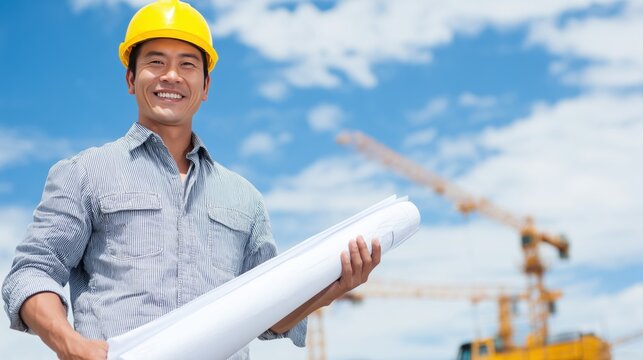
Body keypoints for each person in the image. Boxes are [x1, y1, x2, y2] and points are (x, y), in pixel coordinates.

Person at [1, 1, 381, 359]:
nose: (171, 75)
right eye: (155, 62)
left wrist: (329, 291)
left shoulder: (244, 199)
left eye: (187, 64)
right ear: (131, 78)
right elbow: (32, 272)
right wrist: (70, 343)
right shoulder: (85, 173)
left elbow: (269, 313)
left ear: (206, 87)